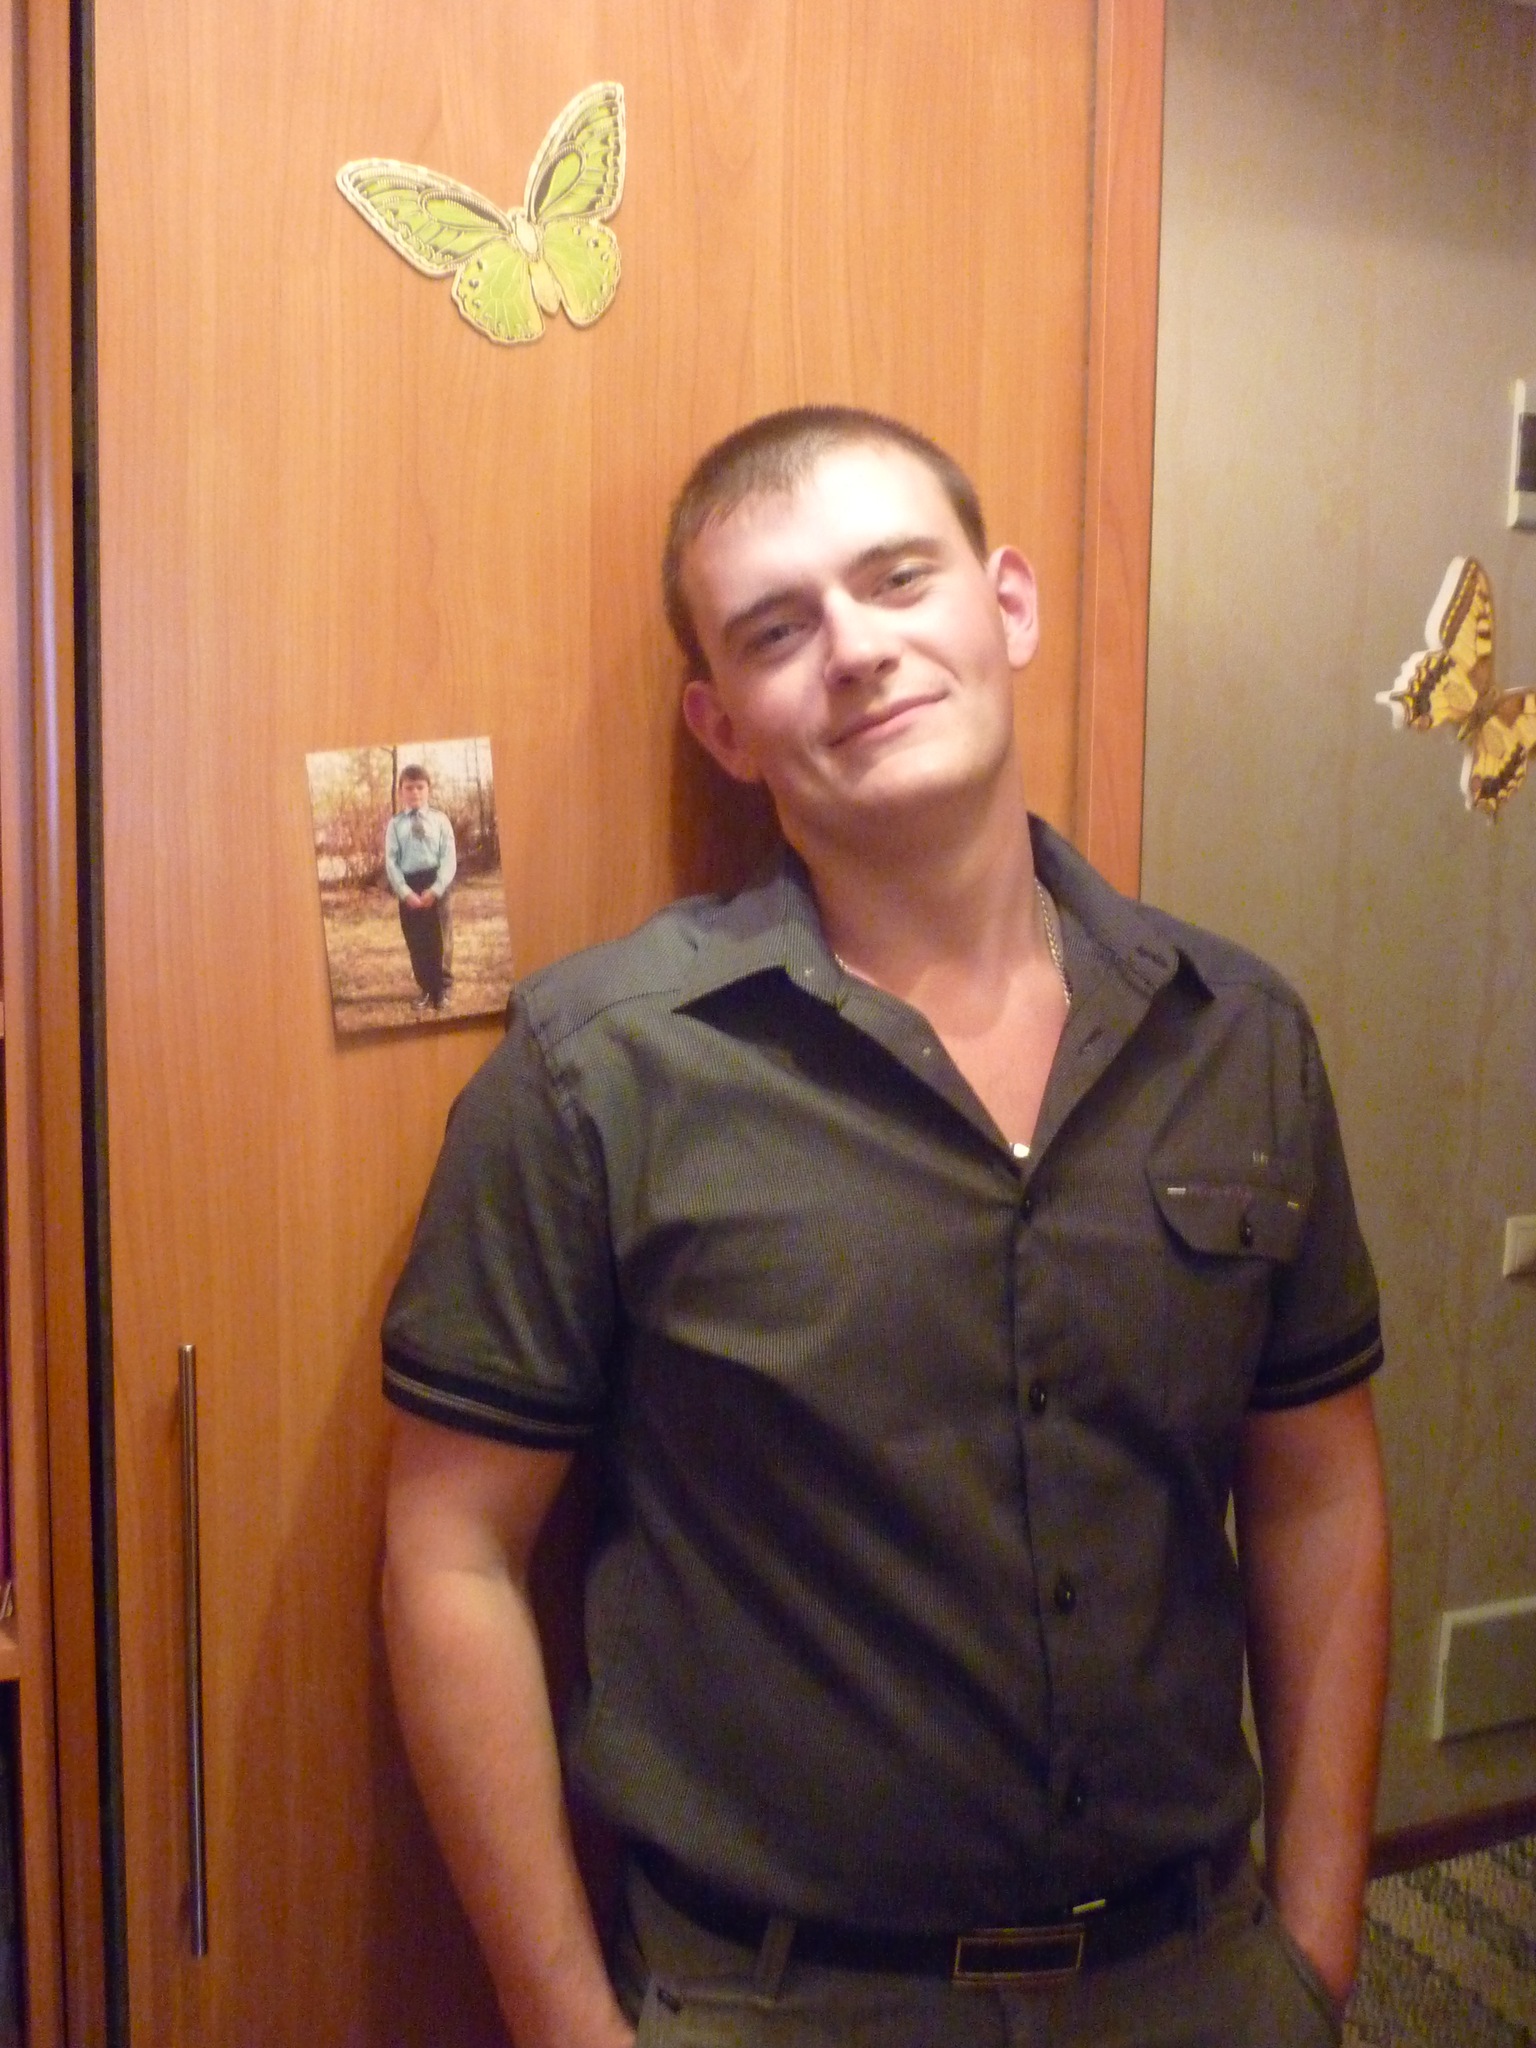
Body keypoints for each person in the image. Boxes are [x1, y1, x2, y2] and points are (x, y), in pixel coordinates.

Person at [380, 407, 1390, 2048]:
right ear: (722, 724)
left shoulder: (1240, 1033)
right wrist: (564, 2022)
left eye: (898, 576)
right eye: (778, 629)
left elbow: (1317, 1491)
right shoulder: (596, 1072)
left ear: (1007, 603)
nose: (855, 648)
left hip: (1197, 1976)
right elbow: (453, 1553)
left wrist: (1320, 1940)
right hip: (775, 2001)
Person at [384, 764, 457, 1010]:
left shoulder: (440, 820)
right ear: (400, 792)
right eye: (408, 788)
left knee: (441, 937)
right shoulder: (395, 825)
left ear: (428, 790)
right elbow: (391, 862)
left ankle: (442, 988)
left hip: (436, 882)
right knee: (417, 940)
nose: (414, 792)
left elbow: (449, 857)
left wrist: (437, 888)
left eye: (419, 787)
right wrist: (404, 892)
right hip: (409, 885)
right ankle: (425, 987)